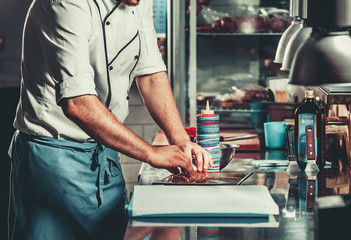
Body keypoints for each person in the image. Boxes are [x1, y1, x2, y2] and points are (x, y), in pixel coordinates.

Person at [7, 0, 212, 239]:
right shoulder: (65, 3)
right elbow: (78, 103)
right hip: (52, 162)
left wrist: (181, 142)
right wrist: (153, 154)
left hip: (105, 156)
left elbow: (150, 74)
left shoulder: (139, 2)